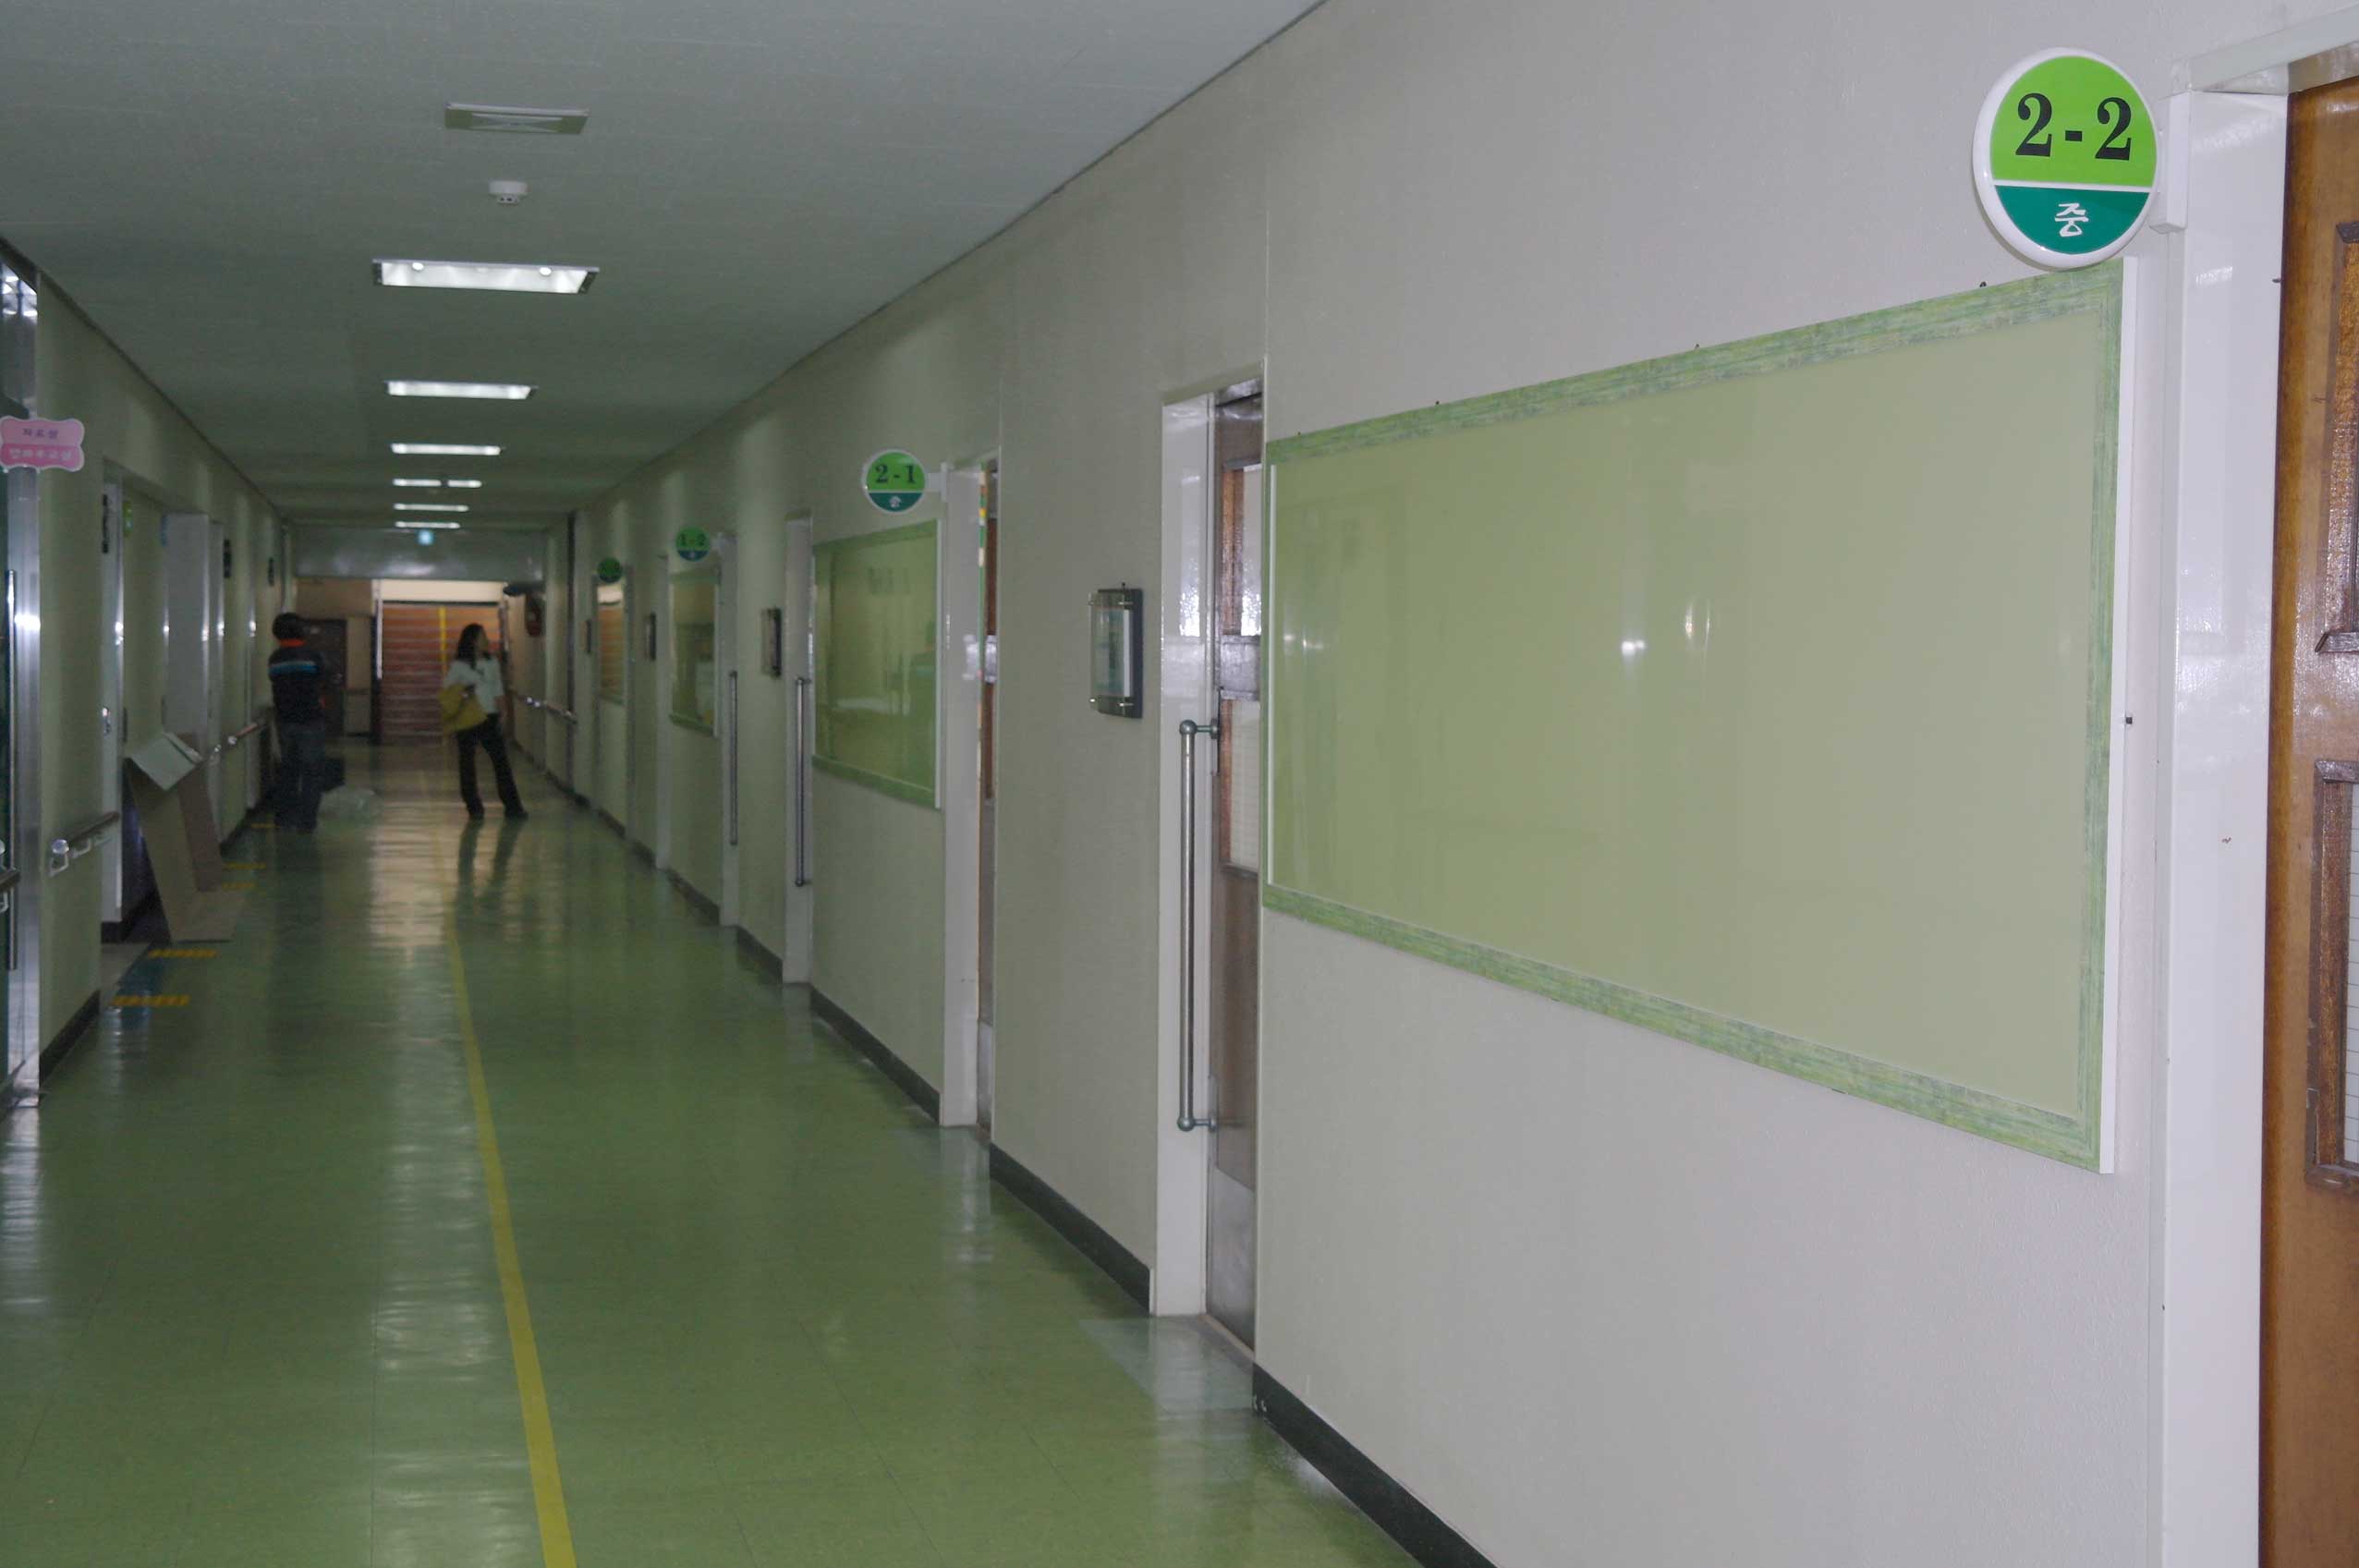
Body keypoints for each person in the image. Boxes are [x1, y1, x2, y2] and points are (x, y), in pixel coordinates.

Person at [444, 624, 527, 821]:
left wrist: (503, 712)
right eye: (482, 637)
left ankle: (513, 806)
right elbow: (448, 691)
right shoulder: (459, 666)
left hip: (489, 717)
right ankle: (474, 807)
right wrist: (465, 691)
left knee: (501, 762)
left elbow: (498, 689)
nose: (486, 640)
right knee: (467, 763)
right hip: (467, 718)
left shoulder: (492, 663)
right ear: (472, 641)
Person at [266, 613, 331, 833]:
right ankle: (307, 822)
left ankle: (285, 820)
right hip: (311, 720)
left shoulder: (275, 659)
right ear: (302, 632)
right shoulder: (313, 656)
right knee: (312, 773)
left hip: (285, 721)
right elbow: (326, 680)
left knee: (288, 770)